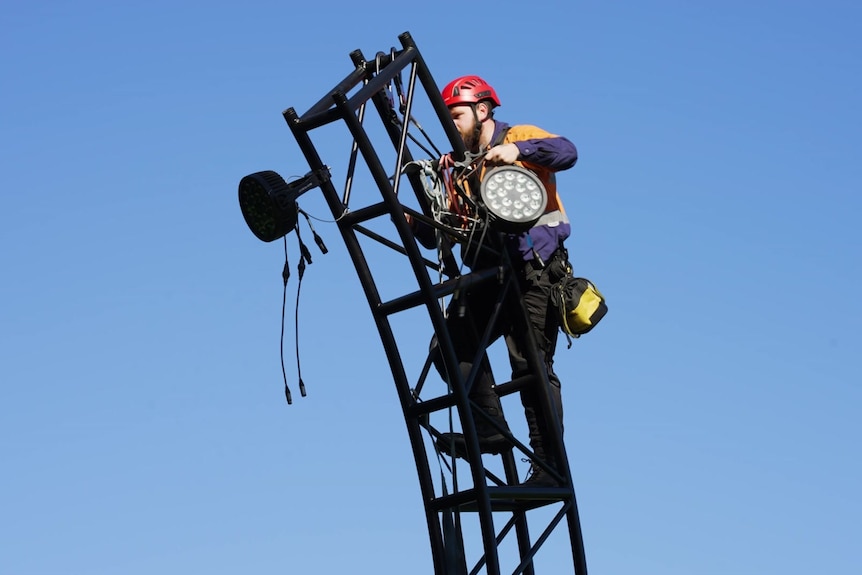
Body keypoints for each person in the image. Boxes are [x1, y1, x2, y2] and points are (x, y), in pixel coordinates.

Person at [420, 75, 578, 487]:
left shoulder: (520, 136)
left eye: (456, 114)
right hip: (491, 273)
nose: (450, 123)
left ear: (482, 111)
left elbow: (567, 151)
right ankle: (489, 430)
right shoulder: (460, 167)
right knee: (450, 341)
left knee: (530, 366)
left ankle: (548, 467)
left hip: (535, 268)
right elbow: (445, 228)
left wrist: (516, 151)